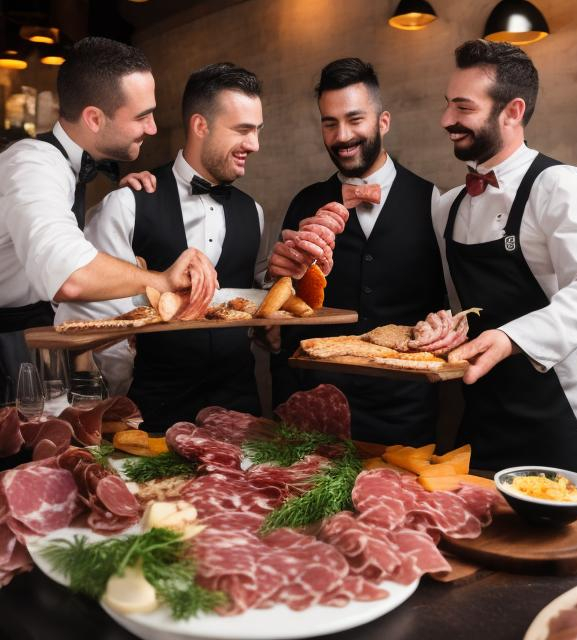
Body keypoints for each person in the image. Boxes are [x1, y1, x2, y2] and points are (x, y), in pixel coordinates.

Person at [429, 39, 577, 477]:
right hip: (478, 411)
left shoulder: (560, 187)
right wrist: (443, 324)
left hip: (551, 414)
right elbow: (460, 304)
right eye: (447, 105)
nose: (446, 119)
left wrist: (510, 338)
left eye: (463, 107)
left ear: (513, 111)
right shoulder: (448, 206)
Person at [0, 37, 215, 404]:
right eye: (141, 116)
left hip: (39, 344)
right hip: (8, 354)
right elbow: (68, 275)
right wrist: (160, 281)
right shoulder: (31, 165)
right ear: (94, 118)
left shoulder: (72, 169)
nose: (151, 128)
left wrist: (112, 203)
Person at [56, 63, 268, 430]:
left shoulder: (256, 212)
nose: (254, 144)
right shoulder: (127, 203)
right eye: (243, 130)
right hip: (153, 417)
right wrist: (122, 397)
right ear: (200, 126)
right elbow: (96, 320)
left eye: (257, 131)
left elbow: (255, 307)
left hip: (242, 417)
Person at [268, 58, 446, 446]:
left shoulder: (434, 201)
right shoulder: (304, 203)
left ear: (383, 122)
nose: (342, 135)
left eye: (354, 119)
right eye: (329, 123)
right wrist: (277, 276)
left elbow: (449, 299)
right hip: (313, 405)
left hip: (404, 410)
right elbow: (279, 303)